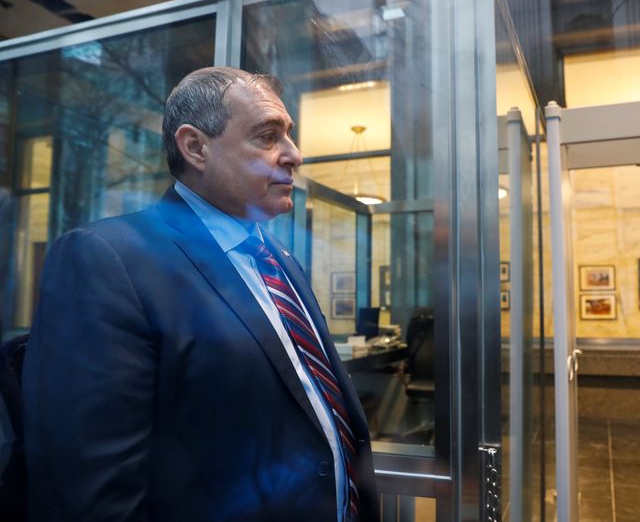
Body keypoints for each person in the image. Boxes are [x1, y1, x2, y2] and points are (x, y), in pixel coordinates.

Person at [23, 67, 378, 521]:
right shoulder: (109, 260)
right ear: (195, 147)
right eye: (268, 137)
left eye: (289, 136)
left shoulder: (279, 259)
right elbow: (89, 491)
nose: (295, 155)